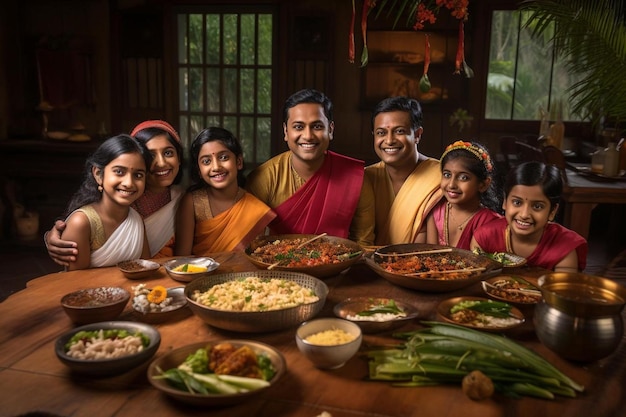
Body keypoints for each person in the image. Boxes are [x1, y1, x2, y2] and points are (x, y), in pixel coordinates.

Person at [246, 89, 375, 246]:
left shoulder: (355, 178)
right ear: (286, 131)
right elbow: (251, 242)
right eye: (299, 127)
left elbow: (363, 242)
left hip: (340, 266)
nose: (308, 136)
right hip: (280, 266)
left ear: (331, 130)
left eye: (317, 126)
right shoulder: (264, 178)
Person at [44, 120, 184, 265]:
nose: (161, 163)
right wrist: (54, 235)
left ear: (179, 158)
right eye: (151, 155)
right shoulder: (118, 203)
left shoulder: (182, 201)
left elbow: (146, 267)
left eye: (168, 153)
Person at [471, 161, 588, 272]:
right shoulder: (484, 238)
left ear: (552, 211)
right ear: (505, 202)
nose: (524, 214)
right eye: (517, 203)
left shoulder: (565, 248)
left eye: (537, 206)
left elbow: (561, 292)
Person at [175, 127, 276, 254]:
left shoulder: (255, 209)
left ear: (238, 162)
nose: (216, 167)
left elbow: (255, 258)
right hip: (198, 273)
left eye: (223, 157)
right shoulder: (192, 202)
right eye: (206, 161)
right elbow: (181, 258)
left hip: (243, 273)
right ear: (199, 170)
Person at [60, 134, 151, 270]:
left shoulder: (136, 220)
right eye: (119, 172)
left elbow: (146, 269)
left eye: (138, 175)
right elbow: (76, 284)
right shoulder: (81, 223)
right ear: (98, 174)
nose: (128, 183)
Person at [365, 96, 442, 245]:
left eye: (399, 131)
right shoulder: (365, 178)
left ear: (417, 135)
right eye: (381, 133)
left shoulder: (441, 177)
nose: (389, 140)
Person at [421, 140, 502, 249]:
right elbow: (430, 255)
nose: (451, 184)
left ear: (483, 184)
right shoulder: (435, 211)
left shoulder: (490, 221)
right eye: (447, 174)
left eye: (464, 177)